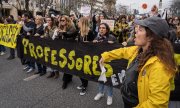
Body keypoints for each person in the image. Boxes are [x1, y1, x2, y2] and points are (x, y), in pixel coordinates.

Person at [99, 17, 177, 107]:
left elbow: (157, 104)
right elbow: (123, 51)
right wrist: (106, 56)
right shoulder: (139, 50)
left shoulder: (159, 66)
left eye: (140, 30)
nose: (135, 31)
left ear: (151, 36)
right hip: (128, 99)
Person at [93, 23, 116, 106]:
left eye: (103, 28)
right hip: (100, 61)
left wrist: (113, 44)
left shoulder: (112, 37)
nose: (101, 29)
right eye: (100, 28)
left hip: (109, 62)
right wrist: (92, 43)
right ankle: (101, 92)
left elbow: (117, 49)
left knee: (108, 79)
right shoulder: (97, 37)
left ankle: (110, 96)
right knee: (100, 77)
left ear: (107, 30)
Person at [76, 17, 95, 96]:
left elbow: (94, 43)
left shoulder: (90, 32)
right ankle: (83, 83)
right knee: (79, 70)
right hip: (80, 53)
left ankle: (84, 86)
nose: (77, 23)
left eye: (79, 22)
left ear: (82, 23)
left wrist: (89, 43)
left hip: (87, 54)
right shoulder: (79, 31)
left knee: (84, 70)